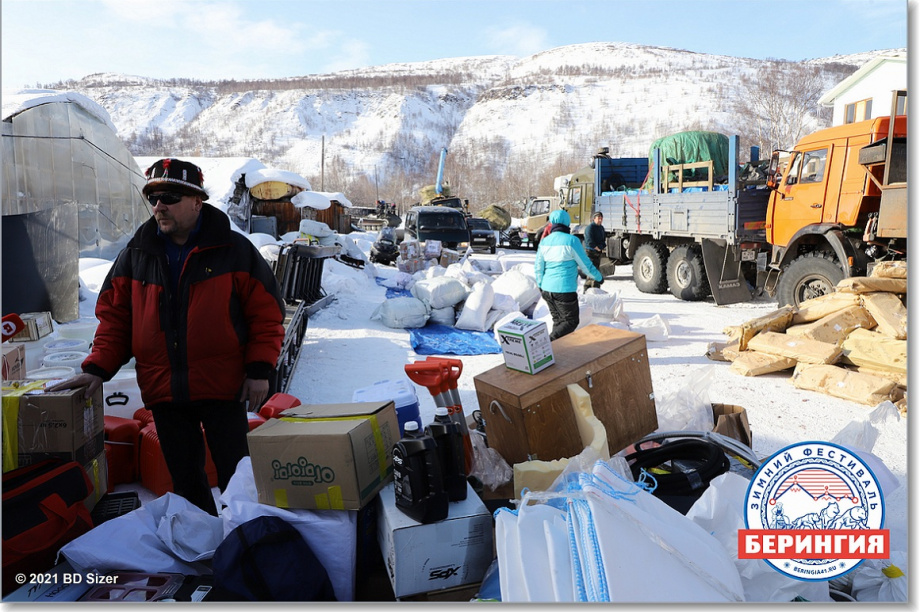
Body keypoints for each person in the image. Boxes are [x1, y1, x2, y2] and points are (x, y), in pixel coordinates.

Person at [50, 158, 286, 516]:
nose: (159, 205)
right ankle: (203, 539)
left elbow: (266, 315)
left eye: (170, 197)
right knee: (186, 482)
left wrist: (259, 370)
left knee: (237, 476)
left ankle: (243, 536)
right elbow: (115, 319)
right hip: (164, 391)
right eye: (153, 198)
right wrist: (97, 368)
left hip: (223, 387)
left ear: (197, 202)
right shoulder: (136, 254)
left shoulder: (234, 251)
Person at [534, 209, 603, 341]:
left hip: (547, 289)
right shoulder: (572, 241)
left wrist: (540, 284)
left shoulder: (544, 242)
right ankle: (547, 342)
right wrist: (598, 277)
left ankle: (556, 350)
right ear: (567, 223)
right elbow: (585, 264)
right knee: (571, 321)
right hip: (564, 290)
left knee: (559, 322)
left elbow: (538, 267)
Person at [583, 211, 607, 289]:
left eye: (601, 218)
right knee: (592, 272)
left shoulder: (601, 228)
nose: (600, 220)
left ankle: (593, 288)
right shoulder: (590, 228)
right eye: (598, 218)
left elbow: (603, 240)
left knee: (596, 271)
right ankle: (590, 288)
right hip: (590, 252)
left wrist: (601, 246)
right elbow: (589, 241)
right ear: (594, 219)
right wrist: (596, 247)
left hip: (598, 253)